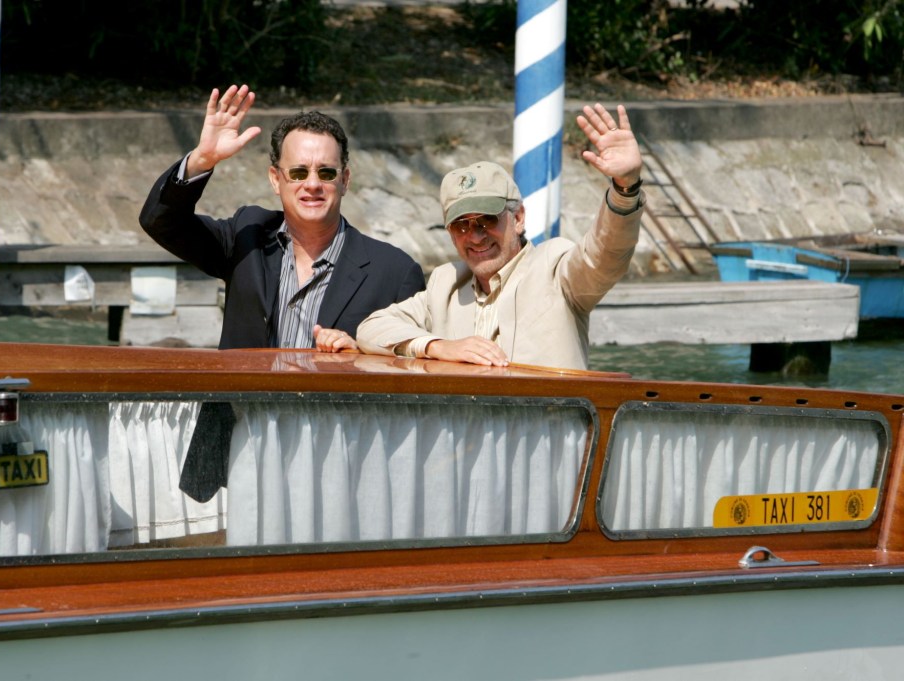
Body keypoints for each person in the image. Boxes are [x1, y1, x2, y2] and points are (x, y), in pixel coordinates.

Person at [140, 84, 425, 501]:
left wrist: (363, 356)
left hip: (343, 466)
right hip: (239, 456)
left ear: (344, 180)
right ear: (276, 179)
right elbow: (159, 221)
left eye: (326, 173)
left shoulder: (396, 272)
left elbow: (414, 382)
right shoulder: (245, 236)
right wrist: (201, 161)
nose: (313, 184)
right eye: (298, 172)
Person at [348, 103, 644, 370]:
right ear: (450, 233)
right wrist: (439, 347)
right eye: (461, 225)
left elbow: (605, 256)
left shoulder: (556, 269)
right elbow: (372, 328)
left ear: (518, 219)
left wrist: (625, 188)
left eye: (487, 220)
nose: (475, 236)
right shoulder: (445, 283)